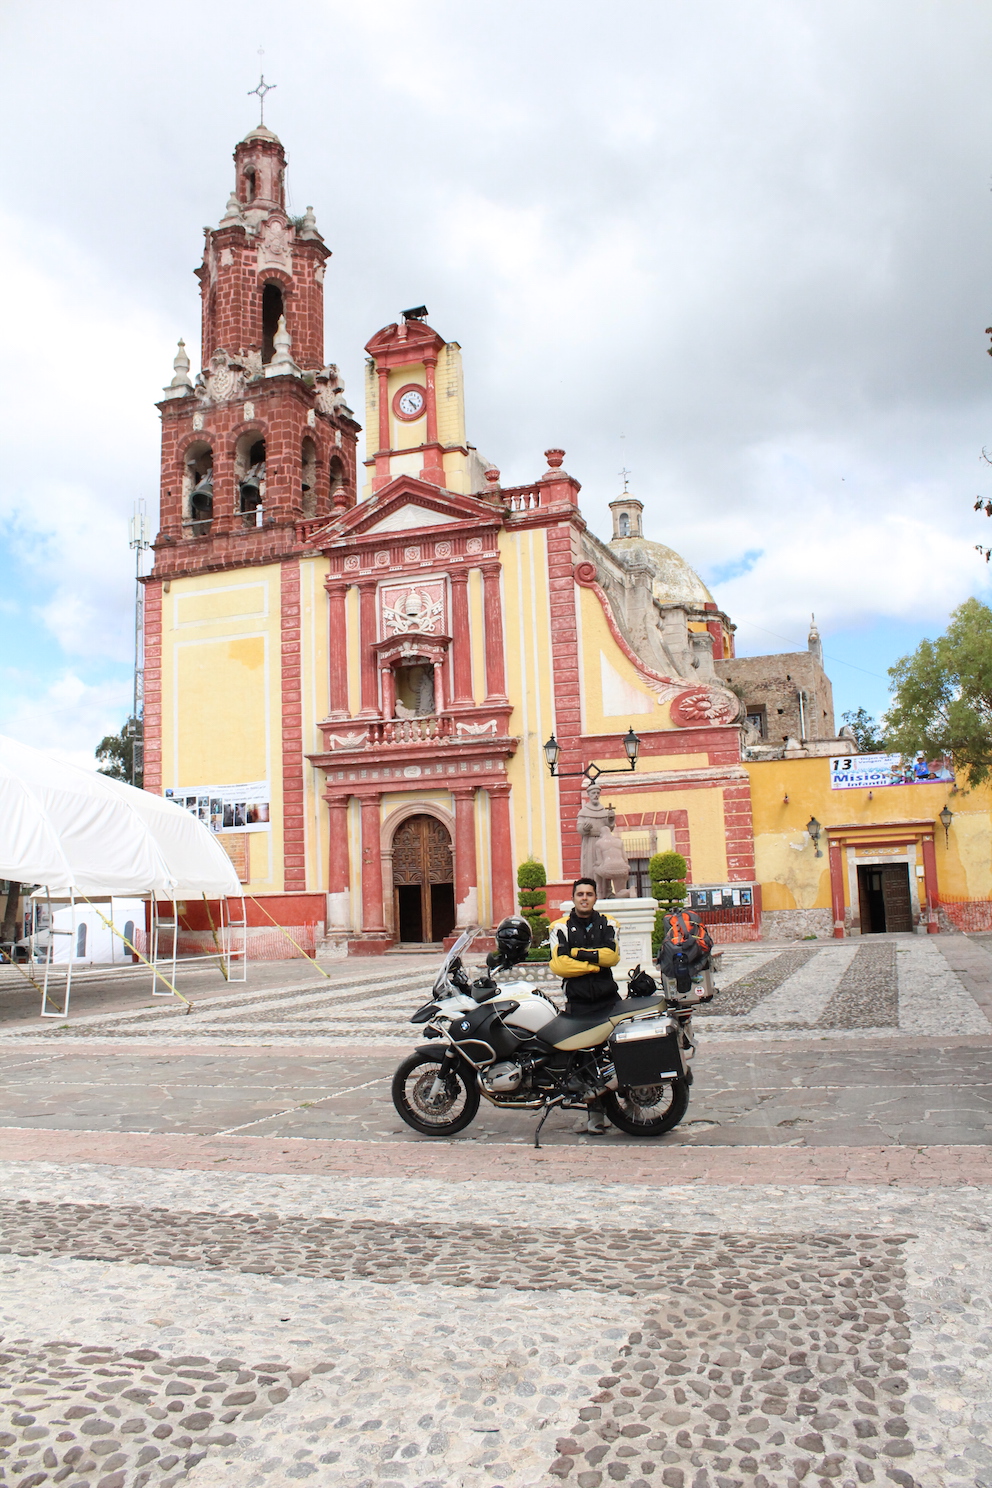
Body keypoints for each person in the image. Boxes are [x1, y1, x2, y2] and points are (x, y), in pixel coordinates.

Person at [549, 878, 621, 1134]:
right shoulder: (559, 927)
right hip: (579, 1004)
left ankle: (629, 1105)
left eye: (589, 894)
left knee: (615, 1055)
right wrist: (594, 963)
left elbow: (612, 956)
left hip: (608, 1002)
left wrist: (577, 954)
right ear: (573, 897)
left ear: (595, 898)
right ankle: (595, 1113)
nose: (584, 898)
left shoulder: (608, 923)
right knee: (586, 1060)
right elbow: (559, 965)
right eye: (580, 894)